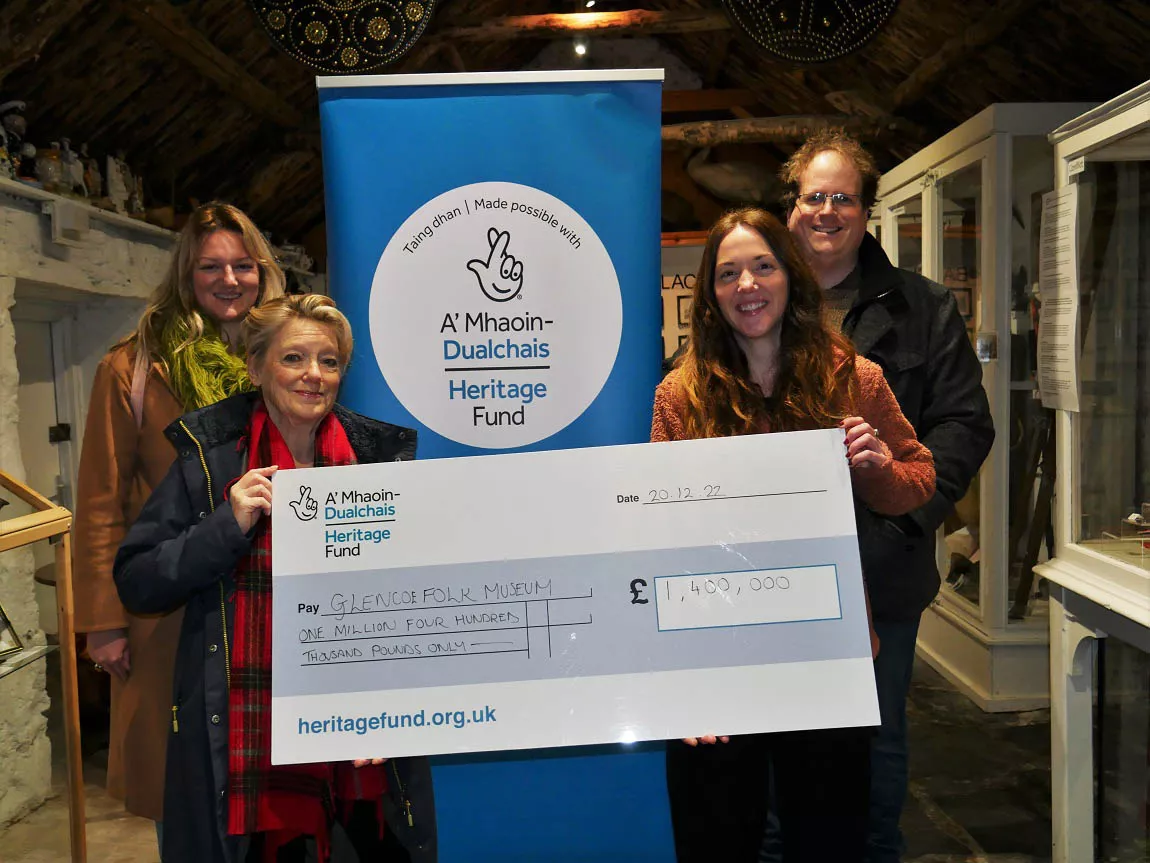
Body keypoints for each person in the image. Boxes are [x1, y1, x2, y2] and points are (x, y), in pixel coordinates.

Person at [652, 207, 936, 862]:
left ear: (790, 277)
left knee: (828, 835)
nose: (746, 283)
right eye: (727, 273)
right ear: (712, 293)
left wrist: (876, 466)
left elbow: (917, 481)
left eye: (762, 265)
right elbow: (659, 536)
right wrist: (681, 681)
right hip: (719, 655)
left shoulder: (854, 378)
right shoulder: (681, 395)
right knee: (716, 836)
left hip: (824, 650)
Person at [113, 294, 435, 863]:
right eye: (294, 358)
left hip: (360, 740)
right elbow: (139, 580)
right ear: (255, 366)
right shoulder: (209, 460)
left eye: (329, 361)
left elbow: (409, 603)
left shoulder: (378, 460)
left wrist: (395, 710)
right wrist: (226, 524)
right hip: (252, 740)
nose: (314, 375)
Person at [780, 131, 994, 862]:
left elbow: (967, 423)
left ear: (866, 212)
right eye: (814, 196)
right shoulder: (757, 299)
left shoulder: (924, 308)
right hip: (773, 565)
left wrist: (913, 514)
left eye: (843, 197)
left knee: (875, 736)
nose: (827, 210)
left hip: (880, 566)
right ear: (792, 208)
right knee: (776, 731)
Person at [72, 202, 286, 835]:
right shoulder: (135, 366)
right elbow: (100, 503)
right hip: (169, 601)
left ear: (262, 271)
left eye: (243, 265)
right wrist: (104, 622)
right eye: (210, 267)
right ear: (185, 275)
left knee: (269, 783)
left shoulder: (288, 354)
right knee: (186, 787)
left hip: (267, 593)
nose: (229, 280)